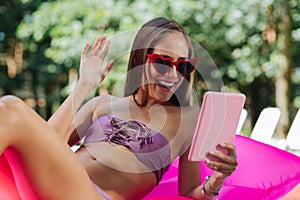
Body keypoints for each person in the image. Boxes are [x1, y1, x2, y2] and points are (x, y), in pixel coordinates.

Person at [0, 17, 237, 200]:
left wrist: (216, 181)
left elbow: (188, 194)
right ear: (140, 58)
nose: (174, 75)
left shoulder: (188, 121)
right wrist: (83, 86)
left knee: (11, 108)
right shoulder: (102, 104)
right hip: (46, 186)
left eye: (183, 66)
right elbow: (46, 142)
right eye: (163, 63)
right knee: (9, 111)